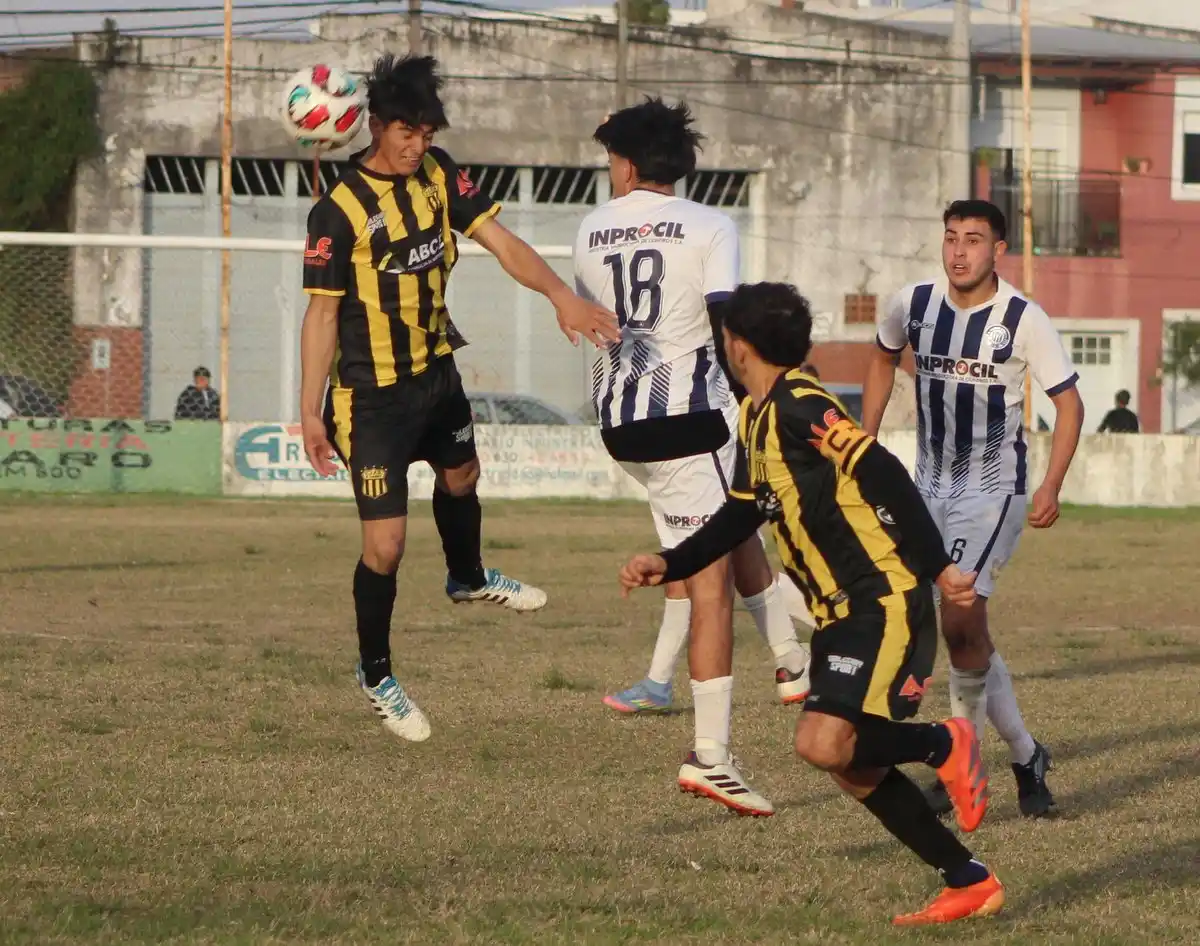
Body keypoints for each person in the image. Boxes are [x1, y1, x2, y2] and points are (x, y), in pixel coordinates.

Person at [619, 282, 1004, 926]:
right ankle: (968, 879)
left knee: (825, 743)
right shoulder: (756, 415)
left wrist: (937, 566)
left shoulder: (802, 403)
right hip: (837, 613)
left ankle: (944, 741)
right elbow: (739, 514)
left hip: (880, 599)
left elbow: (880, 469)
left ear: (737, 345)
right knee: (844, 761)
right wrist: (672, 562)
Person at [300, 54, 618, 742]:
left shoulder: (440, 174)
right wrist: (307, 412)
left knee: (464, 476)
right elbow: (321, 316)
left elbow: (501, 241)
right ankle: (376, 674)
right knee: (386, 546)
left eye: (426, 133)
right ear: (375, 126)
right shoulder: (337, 211)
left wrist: (560, 295)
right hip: (369, 397)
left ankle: (468, 576)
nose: (417, 145)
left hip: (435, 375)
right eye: (406, 133)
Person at [573, 99, 810, 816]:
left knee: (728, 529)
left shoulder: (589, 227)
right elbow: (722, 320)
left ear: (626, 165)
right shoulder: (710, 224)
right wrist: (754, 396)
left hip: (621, 424)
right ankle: (712, 758)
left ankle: (793, 665)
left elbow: (595, 320)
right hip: (691, 418)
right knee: (710, 586)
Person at [861, 199, 1084, 817]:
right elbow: (881, 357)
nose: (959, 252)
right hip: (926, 486)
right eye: (952, 238)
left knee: (960, 616)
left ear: (998, 250)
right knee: (966, 631)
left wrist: (1051, 484)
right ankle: (1026, 754)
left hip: (992, 491)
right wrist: (864, 442)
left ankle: (961, 763)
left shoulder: (1023, 318)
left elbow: (1069, 404)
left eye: (974, 240)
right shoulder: (913, 303)